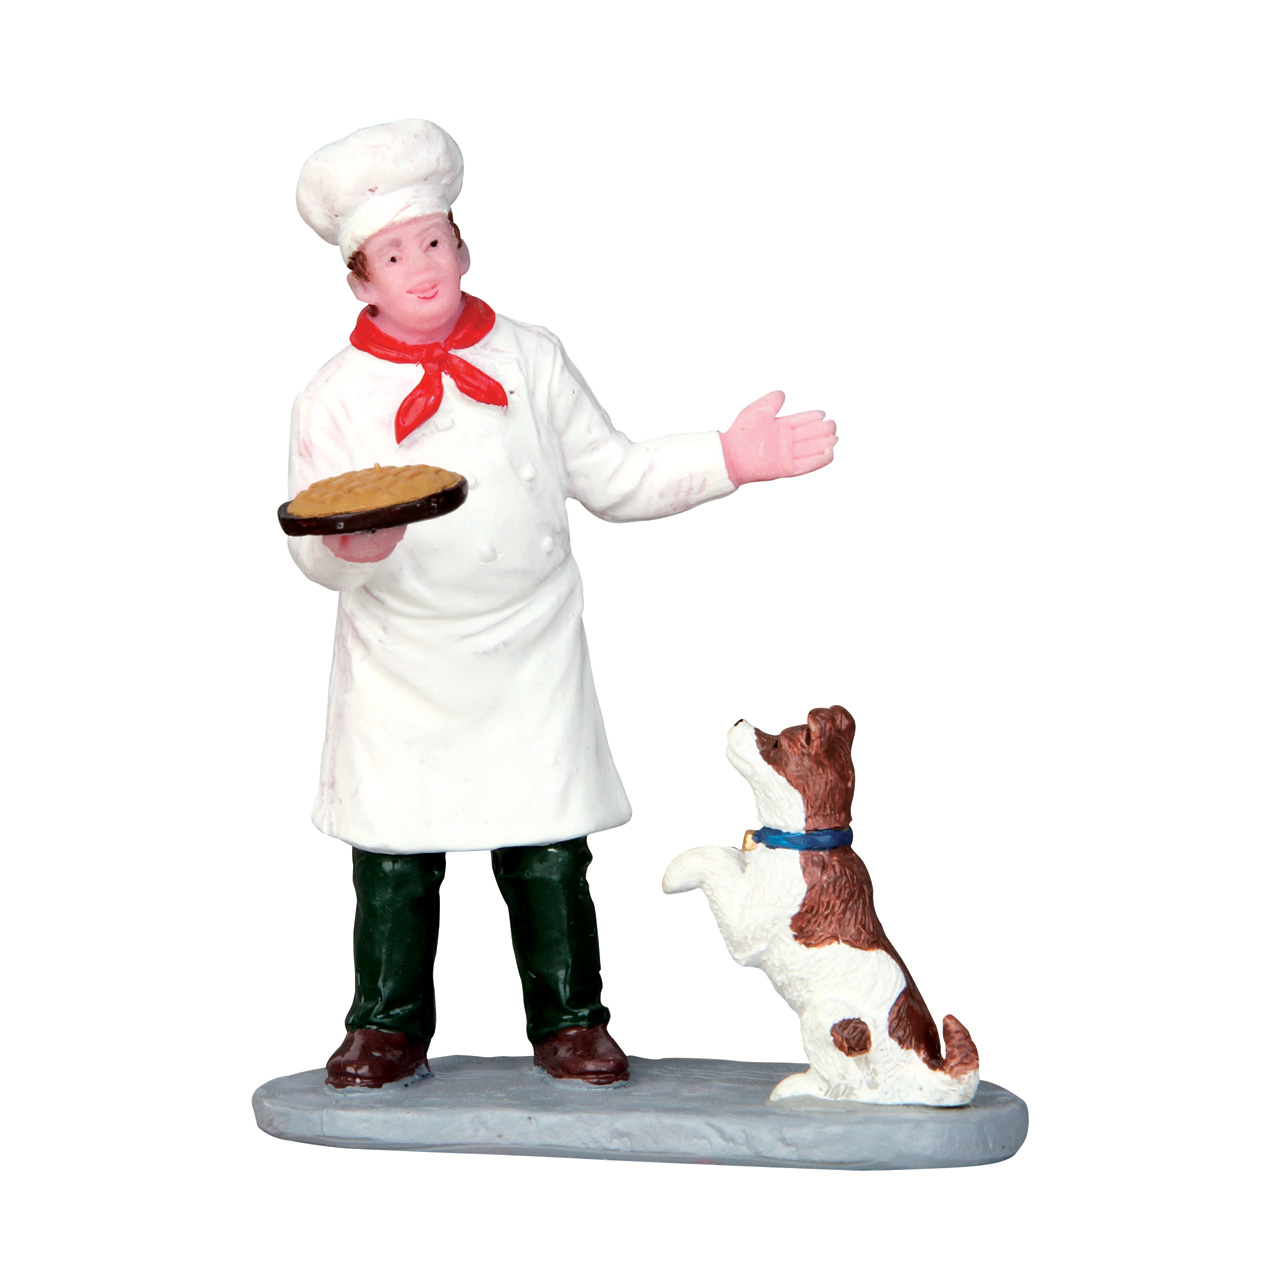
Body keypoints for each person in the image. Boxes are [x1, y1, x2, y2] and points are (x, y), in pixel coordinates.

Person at [290, 120, 837, 1088]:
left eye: (433, 242)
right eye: (394, 254)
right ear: (359, 282)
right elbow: (311, 534)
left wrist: (727, 457)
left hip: (528, 652)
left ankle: (570, 1019)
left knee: (546, 852)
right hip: (400, 661)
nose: (422, 267)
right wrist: (347, 550)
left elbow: (615, 476)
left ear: (463, 248)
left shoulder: (531, 358)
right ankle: (385, 1024)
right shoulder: (333, 396)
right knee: (396, 861)